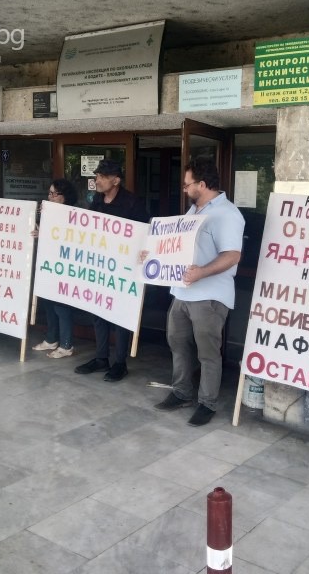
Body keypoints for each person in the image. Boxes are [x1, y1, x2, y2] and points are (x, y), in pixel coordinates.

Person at [154, 156, 245, 426]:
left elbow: (232, 255)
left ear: (202, 184)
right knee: (177, 344)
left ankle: (207, 403)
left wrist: (201, 273)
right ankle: (181, 392)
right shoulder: (194, 211)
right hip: (182, 293)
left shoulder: (227, 214)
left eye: (187, 184)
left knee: (207, 352)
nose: (184, 189)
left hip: (209, 296)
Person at [74, 159, 149, 382]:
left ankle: (119, 363)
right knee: (98, 313)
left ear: (115, 180)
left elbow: (145, 232)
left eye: (101, 177)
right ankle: (100, 358)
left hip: (123, 268)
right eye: (96, 176)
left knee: (120, 316)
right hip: (100, 266)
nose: (96, 180)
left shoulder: (132, 202)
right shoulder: (97, 199)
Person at [33, 179, 78, 358]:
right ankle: (52, 338)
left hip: (64, 266)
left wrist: (43, 234)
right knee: (49, 302)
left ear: (65, 197)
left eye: (54, 194)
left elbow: (67, 239)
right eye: (49, 193)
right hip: (48, 264)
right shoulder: (48, 213)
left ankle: (67, 344)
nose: (50, 197)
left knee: (62, 305)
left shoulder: (73, 216)